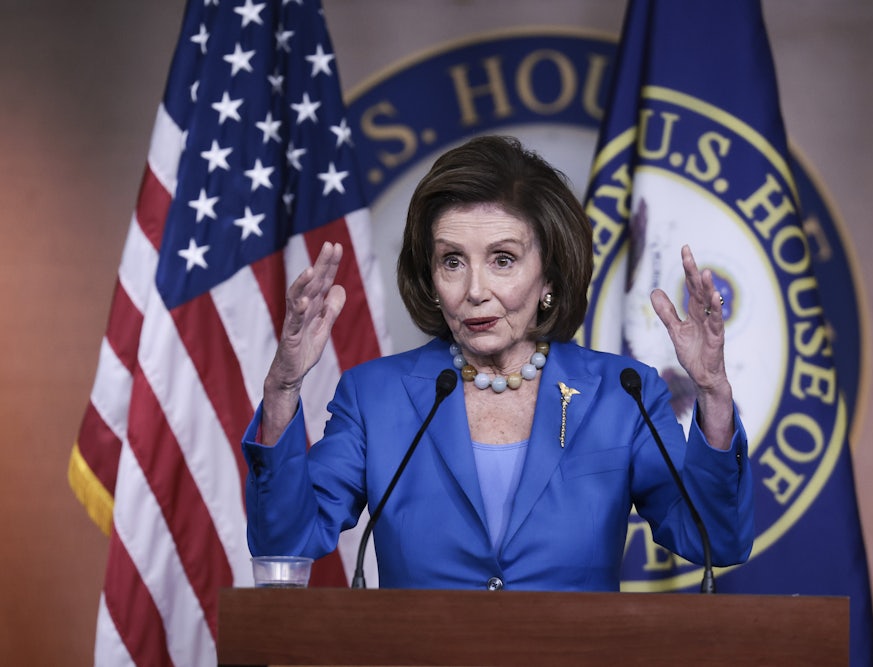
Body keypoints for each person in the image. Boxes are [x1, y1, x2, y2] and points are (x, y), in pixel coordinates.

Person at [243, 135, 753, 591]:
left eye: (502, 259)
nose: (475, 291)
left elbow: (715, 540)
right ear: (431, 276)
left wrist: (712, 394)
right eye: (452, 261)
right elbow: (286, 540)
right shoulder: (374, 395)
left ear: (549, 275)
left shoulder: (623, 394)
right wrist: (283, 388)